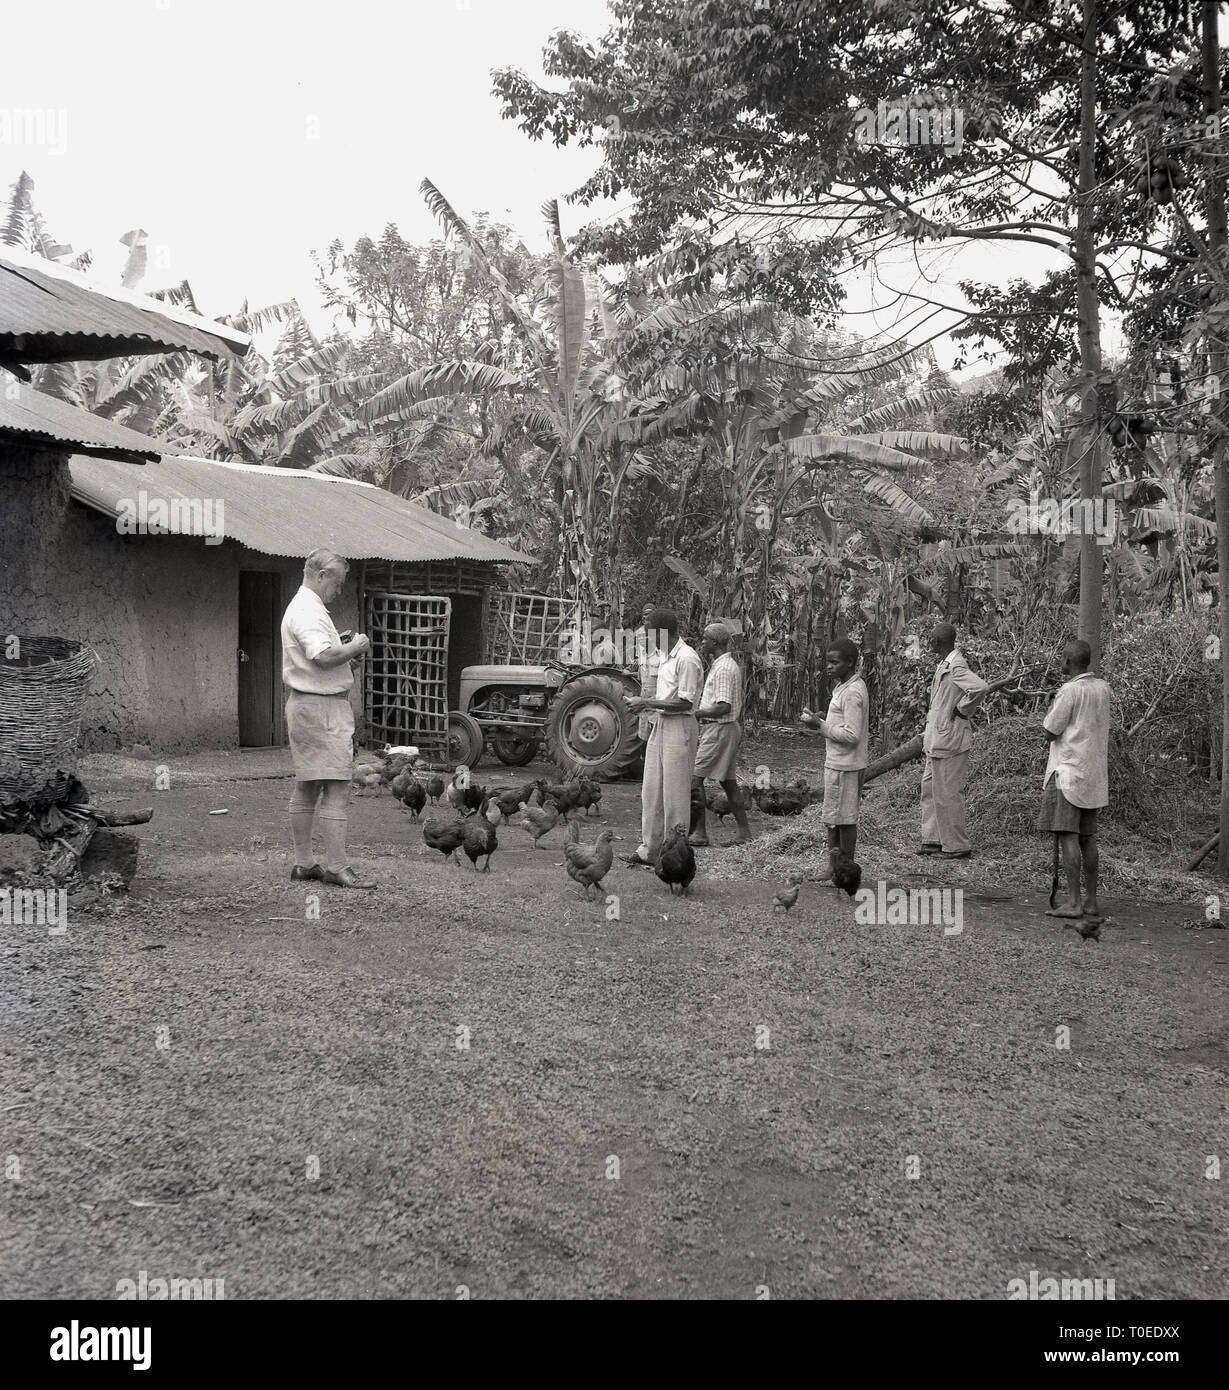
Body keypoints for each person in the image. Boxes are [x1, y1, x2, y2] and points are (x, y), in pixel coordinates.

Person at [281, 549, 374, 889]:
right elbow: (321, 655)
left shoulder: (306, 607)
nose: (339, 590)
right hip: (320, 710)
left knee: (307, 785)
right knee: (336, 785)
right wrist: (357, 646)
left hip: (309, 703)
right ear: (320, 576)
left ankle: (304, 864)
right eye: (337, 583)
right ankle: (336, 867)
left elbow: (319, 660)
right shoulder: (307, 610)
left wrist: (345, 660)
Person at [1038, 640, 1112, 933]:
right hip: (1093, 774)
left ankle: (1073, 902)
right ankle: (1091, 901)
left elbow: (1049, 730)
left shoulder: (1070, 691)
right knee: (1088, 839)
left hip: (1067, 771)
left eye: (1062, 658)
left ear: (1068, 661)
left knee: (1068, 836)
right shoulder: (1103, 688)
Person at [623, 608, 703, 867]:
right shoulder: (664, 657)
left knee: (675, 794)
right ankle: (650, 849)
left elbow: (684, 702)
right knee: (652, 790)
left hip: (679, 726)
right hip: (661, 723)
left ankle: (673, 854)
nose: (647, 638)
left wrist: (645, 702)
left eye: (650, 634)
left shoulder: (687, 659)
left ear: (661, 633)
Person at [918, 623, 989, 859]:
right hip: (936, 739)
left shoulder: (956, 665)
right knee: (930, 790)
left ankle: (956, 845)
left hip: (950, 739)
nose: (928, 642)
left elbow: (980, 687)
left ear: (937, 642)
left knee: (948, 793)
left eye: (930, 639)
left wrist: (962, 711)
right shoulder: (944, 664)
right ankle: (933, 840)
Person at [801, 638, 869, 876]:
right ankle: (833, 867)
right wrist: (821, 720)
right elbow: (840, 724)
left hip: (847, 765)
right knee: (832, 817)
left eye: (834, 662)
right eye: (827, 662)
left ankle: (845, 869)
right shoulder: (843, 687)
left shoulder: (853, 693)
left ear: (850, 663)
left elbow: (852, 734)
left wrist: (820, 725)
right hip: (837, 762)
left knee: (846, 820)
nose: (828, 666)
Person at [689, 623, 752, 847]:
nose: (702, 642)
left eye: (705, 639)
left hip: (719, 728)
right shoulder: (724, 665)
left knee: (694, 780)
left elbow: (723, 706)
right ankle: (744, 833)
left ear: (715, 643)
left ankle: (699, 832)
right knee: (728, 782)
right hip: (724, 728)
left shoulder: (724, 668)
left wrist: (697, 713)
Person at [634, 602, 661, 746]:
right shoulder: (639, 633)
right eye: (645, 615)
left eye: (650, 615)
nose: (647, 618)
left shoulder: (661, 634)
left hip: (657, 681)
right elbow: (640, 658)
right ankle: (644, 753)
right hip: (645, 680)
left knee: (654, 716)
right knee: (644, 718)